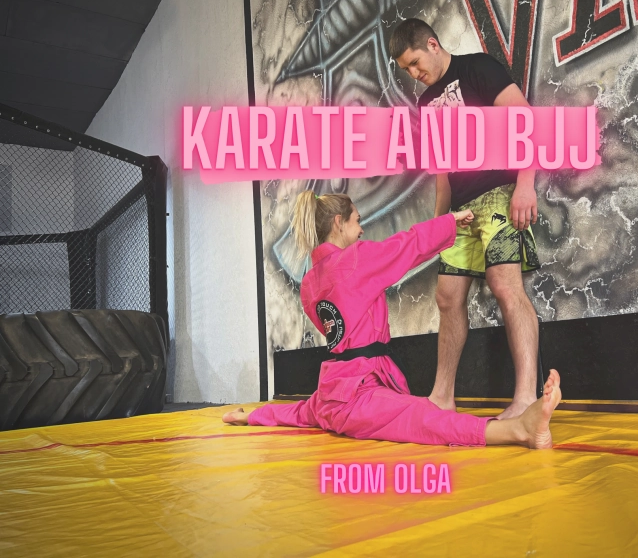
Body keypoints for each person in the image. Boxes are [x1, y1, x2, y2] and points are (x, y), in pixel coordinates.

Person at [223, 191, 561, 449]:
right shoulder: (353, 261)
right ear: (338, 223)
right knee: (423, 418)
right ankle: (518, 430)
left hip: (332, 389)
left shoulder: (310, 281)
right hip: (355, 393)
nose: (361, 229)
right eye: (356, 221)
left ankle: (248, 416)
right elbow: (406, 246)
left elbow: (298, 412)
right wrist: (450, 222)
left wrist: (251, 415)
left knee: (304, 411)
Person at [390, 18, 542, 419]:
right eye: (406, 69)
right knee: (446, 297)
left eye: (415, 62)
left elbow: (525, 119)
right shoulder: (426, 104)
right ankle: (441, 398)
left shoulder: (478, 67)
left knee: (505, 286)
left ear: (433, 44)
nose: (413, 73)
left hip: (499, 194)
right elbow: (442, 171)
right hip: (460, 211)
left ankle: (526, 399)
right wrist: (435, 226)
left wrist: (525, 185)